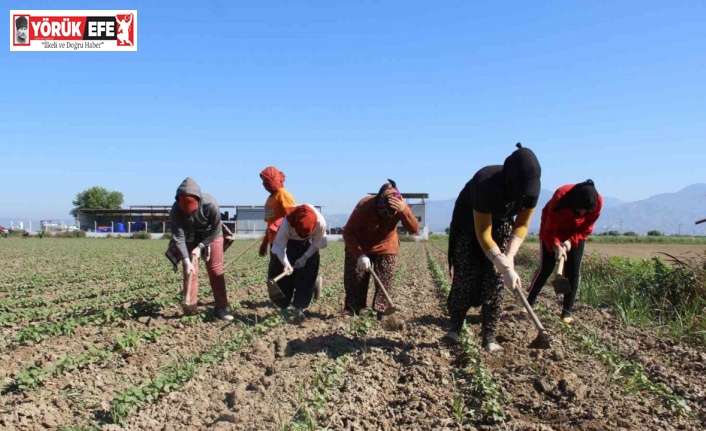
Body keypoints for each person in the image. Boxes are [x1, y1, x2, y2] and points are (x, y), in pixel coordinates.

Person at [447, 143, 541, 353]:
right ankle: (454, 329)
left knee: (496, 283)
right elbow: (483, 232)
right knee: (466, 276)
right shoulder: (486, 182)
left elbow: (522, 224)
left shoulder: (531, 188)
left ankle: (488, 337)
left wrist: (509, 256)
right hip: (470, 225)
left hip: (502, 223)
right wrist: (501, 262)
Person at [526, 180, 602, 324]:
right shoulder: (561, 196)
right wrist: (556, 246)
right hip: (552, 230)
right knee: (546, 267)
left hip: (575, 233)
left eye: (586, 211)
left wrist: (569, 242)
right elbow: (549, 228)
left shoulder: (597, 202)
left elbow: (586, 227)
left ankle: (566, 313)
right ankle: (529, 302)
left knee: (573, 271)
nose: (582, 213)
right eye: (580, 209)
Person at [342, 179, 419, 319]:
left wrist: (405, 211)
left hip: (386, 245)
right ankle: (353, 308)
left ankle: (382, 310)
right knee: (355, 278)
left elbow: (413, 229)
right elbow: (348, 232)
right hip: (361, 244)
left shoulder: (400, 207)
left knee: (385, 278)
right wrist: (359, 255)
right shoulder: (365, 205)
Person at [165, 177, 233, 321]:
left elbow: (216, 229)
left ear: (198, 199)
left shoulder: (210, 204)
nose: (189, 213)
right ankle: (191, 306)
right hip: (189, 236)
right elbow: (179, 236)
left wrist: (201, 246)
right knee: (189, 271)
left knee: (215, 270)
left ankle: (221, 307)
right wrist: (186, 260)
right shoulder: (176, 209)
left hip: (211, 234)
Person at [270, 204, 328, 321]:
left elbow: (317, 243)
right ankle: (283, 307)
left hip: (308, 244)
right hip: (289, 243)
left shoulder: (320, 222)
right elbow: (279, 247)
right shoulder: (288, 221)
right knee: (283, 276)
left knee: (307, 275)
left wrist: (305, 257)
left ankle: (299, 307)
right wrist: (286, 264)